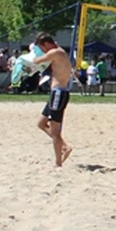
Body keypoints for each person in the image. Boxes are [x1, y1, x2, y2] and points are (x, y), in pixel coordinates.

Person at [32, 33, 73, 167]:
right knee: (41, 123)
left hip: (59, 93)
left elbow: (36, 61)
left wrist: (32, 51)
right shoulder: (59, 51)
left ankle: (58, 162)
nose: (43, 50)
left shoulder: (55, 52)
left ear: (47, 44)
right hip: (56, 93)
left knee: (55, 131)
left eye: (43, 48)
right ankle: (64, 146)